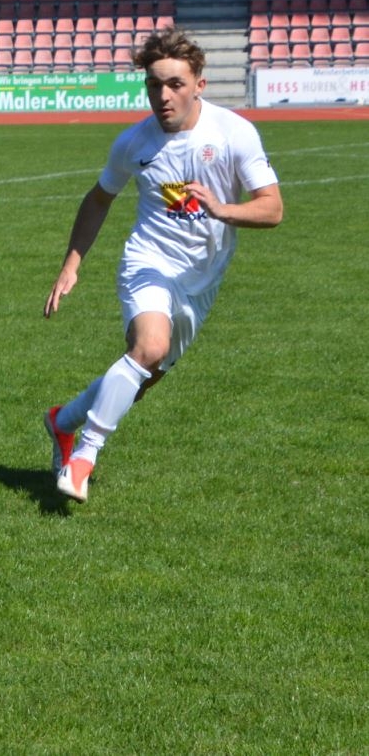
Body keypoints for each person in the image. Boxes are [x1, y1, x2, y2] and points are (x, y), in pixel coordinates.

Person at [42, 26, 282, 503]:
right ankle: (84, 458)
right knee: (149, 347)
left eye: (175, 84)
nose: (163, 95)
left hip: (202, 278)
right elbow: (99, 198)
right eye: (154, 85)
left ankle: (63, 421)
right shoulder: (134, 143)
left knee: (144, 375)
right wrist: (72, 263)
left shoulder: (234, 133)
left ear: (199, 85)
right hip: (148, 261)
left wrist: (222, 210)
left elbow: (272, 208)